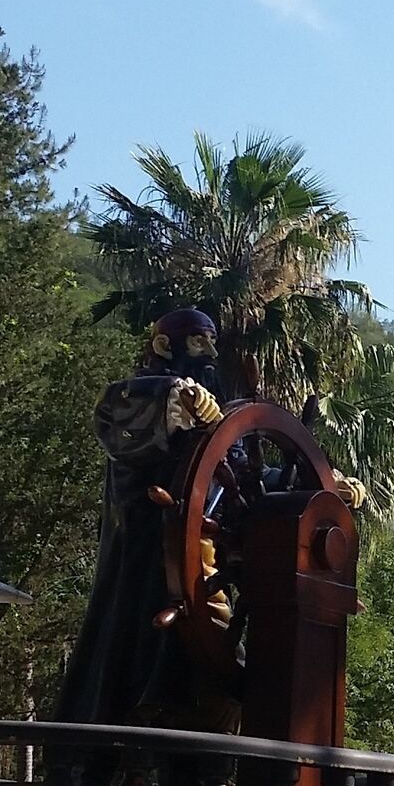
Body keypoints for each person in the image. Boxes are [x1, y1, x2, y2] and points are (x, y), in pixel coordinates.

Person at [54, 308, 237, 731]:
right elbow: (119, 409)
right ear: (163, 345)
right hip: (146, 551)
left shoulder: (215, 415)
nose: (209, 351)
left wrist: (323, 485)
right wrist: (174, 393)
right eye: (197, 341)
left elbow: (241, 468)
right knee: (134, 647)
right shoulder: (138, 397)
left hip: (204, 563)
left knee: (219, 666)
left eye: (211, 341)